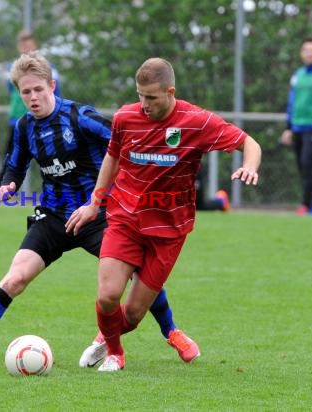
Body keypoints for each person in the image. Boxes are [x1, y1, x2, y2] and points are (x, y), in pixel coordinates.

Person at [0, 52, 199, 365]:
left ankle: (172, 332)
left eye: (38, 90)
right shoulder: (24, 127)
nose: (32, 98)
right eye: (25, 92)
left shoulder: (80, 117)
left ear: (52, 86)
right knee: (14, 279)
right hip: (54, 216)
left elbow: (124, 142)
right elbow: (15, 165)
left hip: (97, 214)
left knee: (138, 273)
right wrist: (9, 185)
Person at [66, 57, 261, 372]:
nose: (143, 104)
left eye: (152, 98)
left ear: (171, 91)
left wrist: (249, 166)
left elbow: (249, 143)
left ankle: (105, 337)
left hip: (169, 231)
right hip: (125, 218)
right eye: (140, 95)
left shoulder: (196, 121)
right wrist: (94, 202)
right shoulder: (125, 118)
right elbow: (112, 157)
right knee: (107, 296)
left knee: (131, 315)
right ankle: (116, 353)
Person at [0, 30, 61, 195]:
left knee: (52, 159)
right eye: (23, 44)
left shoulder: (49, 69)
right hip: (17, 120)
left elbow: (56, 94)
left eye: (29, 44)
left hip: (45, 121)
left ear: (35, 45)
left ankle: (57, 194)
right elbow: (12, 92)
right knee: (11, 159)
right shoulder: (12, 70)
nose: (26, 47)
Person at [280, 37, 312, 216]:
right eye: (305, 50)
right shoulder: (298, 75)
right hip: (298, 127)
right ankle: (311, 203)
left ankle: (307, 205)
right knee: (302, 166)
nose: (308, 53)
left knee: (308, 163)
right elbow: (292, 102)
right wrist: (289, 127)